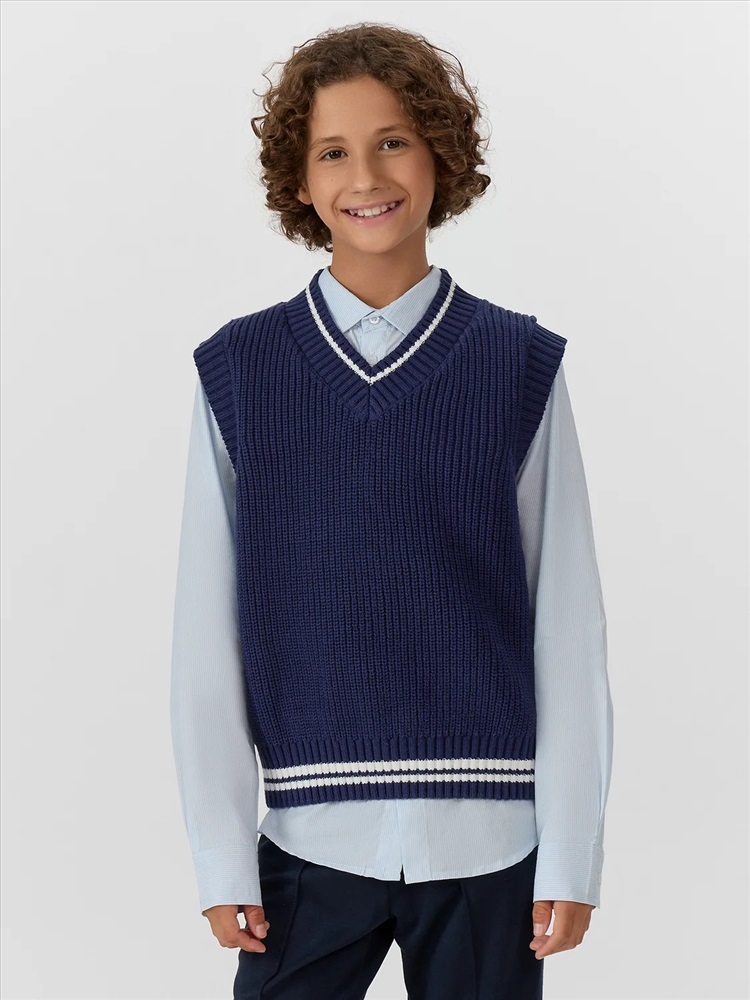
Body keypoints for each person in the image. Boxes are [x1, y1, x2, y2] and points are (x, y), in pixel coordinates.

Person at [170, 21, 614, 1000]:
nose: (366, 175)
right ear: (298, 179)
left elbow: (567, 619)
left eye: (393, 141)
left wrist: (573, 849)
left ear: (439, 154)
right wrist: (219, 853)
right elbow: (206, 629)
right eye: (332, 151)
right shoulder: (241, 371)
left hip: (492, 843)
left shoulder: (516, 364)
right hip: (305, 839)